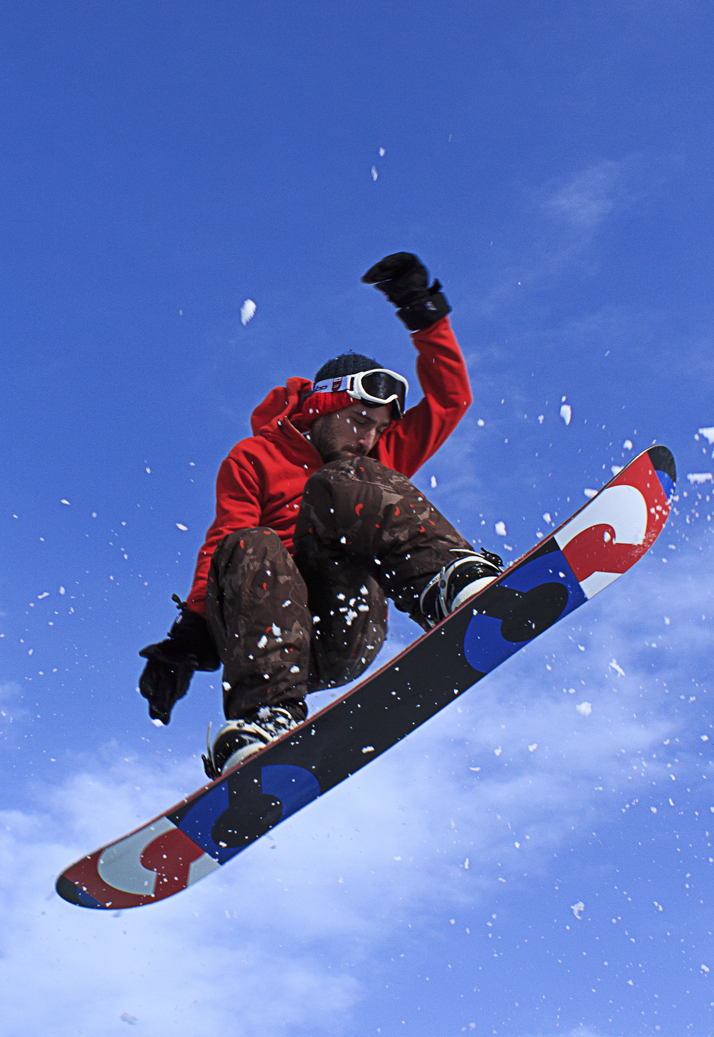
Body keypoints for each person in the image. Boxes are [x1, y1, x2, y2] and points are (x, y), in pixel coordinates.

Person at [137, 252, 502, 778]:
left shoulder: (371, 461)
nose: (369, 437)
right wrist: (187, 637)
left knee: (345, 479)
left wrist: (423, 313)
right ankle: (266, 717)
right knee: (251, 542)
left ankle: (446, 583)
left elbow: (450, 399)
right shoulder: (253, 458)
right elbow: (225, 540)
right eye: (360, 420)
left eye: (379, 428)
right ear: (323, 407)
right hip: (273, 636)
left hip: (346, 621)